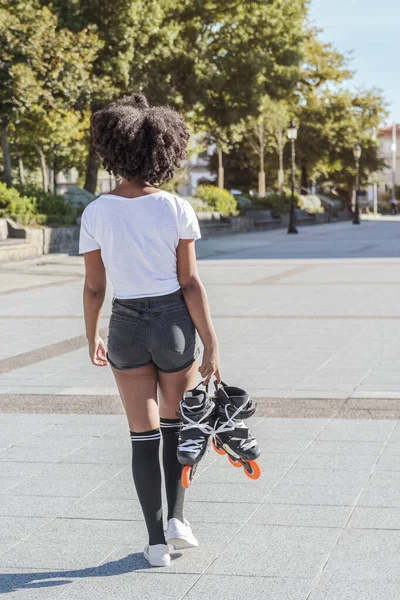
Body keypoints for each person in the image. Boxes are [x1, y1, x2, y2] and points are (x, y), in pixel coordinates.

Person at [79, 93, 221, 567]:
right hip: (174, 323)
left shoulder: (96, 212)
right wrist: (212, 342)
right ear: (166, 150)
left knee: (142, 436)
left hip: (125, 325)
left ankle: (156, 543)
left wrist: (91, 335)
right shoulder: (176, 208)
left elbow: (95, 288)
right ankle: (179, 519)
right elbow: (190, 281)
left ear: (113, 150)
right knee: (176, 426)